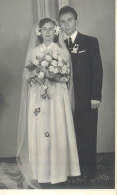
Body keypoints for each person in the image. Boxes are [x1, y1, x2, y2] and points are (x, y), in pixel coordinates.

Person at [16, 17, 80, 188]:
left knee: (57, 128)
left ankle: (60, 172)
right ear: (39, 32)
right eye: (44, 29)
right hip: (39, 95)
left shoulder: (62, 51)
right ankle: (41, 172)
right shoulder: (34, 51)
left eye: (51, 29)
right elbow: (26, 75)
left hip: (57, 96)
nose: (48, 32)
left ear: (56, 32)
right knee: (41, 129)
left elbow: (67, 77)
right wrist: (36, 76)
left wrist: (53, 75)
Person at [59, 6, 103, 179]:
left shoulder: (90, 41)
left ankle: (89, 173)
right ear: (60, 25)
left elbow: (97, 70)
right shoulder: (57, 46)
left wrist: (95, 96)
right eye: (63, 21)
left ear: (76, 21)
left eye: (69, 20)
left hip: (86, 98)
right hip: (65, 99)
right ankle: (73, 171)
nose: (66, 24)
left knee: (88, 133)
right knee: (71, 135)